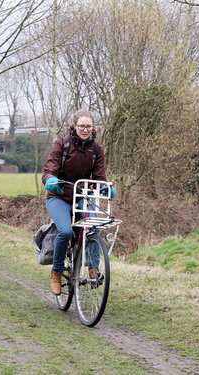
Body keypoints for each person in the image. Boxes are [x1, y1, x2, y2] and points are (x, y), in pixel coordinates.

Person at [42, 109, 115, 295]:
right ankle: (56, 272)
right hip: (60, 197)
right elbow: (50, 168)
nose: (85, 129)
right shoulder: (62, 144)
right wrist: (51, 180)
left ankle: (93, 268)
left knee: (94, 227)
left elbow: (99, 177)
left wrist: (106, 187)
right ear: (74, 126)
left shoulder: (97, 150)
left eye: (88, 126)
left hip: (83, 197)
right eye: (82, 126)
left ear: (93, 128)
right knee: (65, 231)